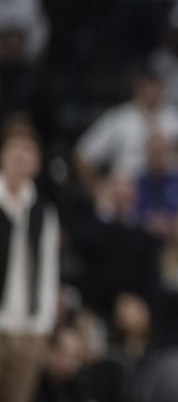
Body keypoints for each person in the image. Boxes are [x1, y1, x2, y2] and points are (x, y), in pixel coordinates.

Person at [0, 117, 60, 402]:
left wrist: (43, 325)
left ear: (37, 161)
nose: (21, 156)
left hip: (28, 328)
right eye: (15, 149)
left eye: (28, 150)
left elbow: (49, 270)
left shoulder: (43, 211)